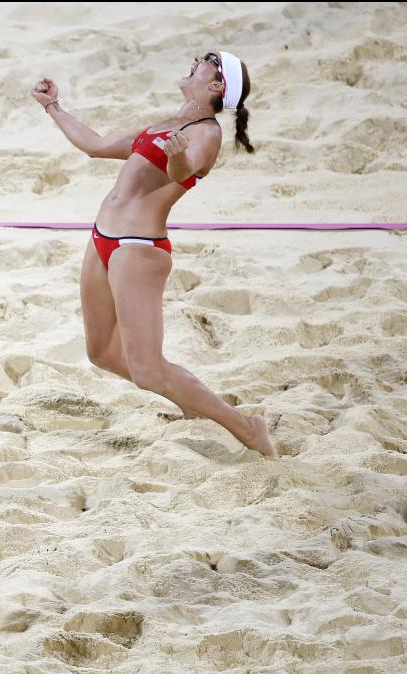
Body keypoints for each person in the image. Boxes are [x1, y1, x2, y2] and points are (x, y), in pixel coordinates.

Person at [32, 51, 275, 456]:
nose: (197, 59)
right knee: (103, 353)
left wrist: (178, 155)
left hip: (138, 249)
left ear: (217, 86)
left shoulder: (207, 133)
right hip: (103, 238)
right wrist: (53, 106)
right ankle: (191, 404)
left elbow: (187, 171)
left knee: (147, 370)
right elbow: (95, 145)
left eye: (208, 60)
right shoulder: (166, 124)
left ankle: (248, 427)